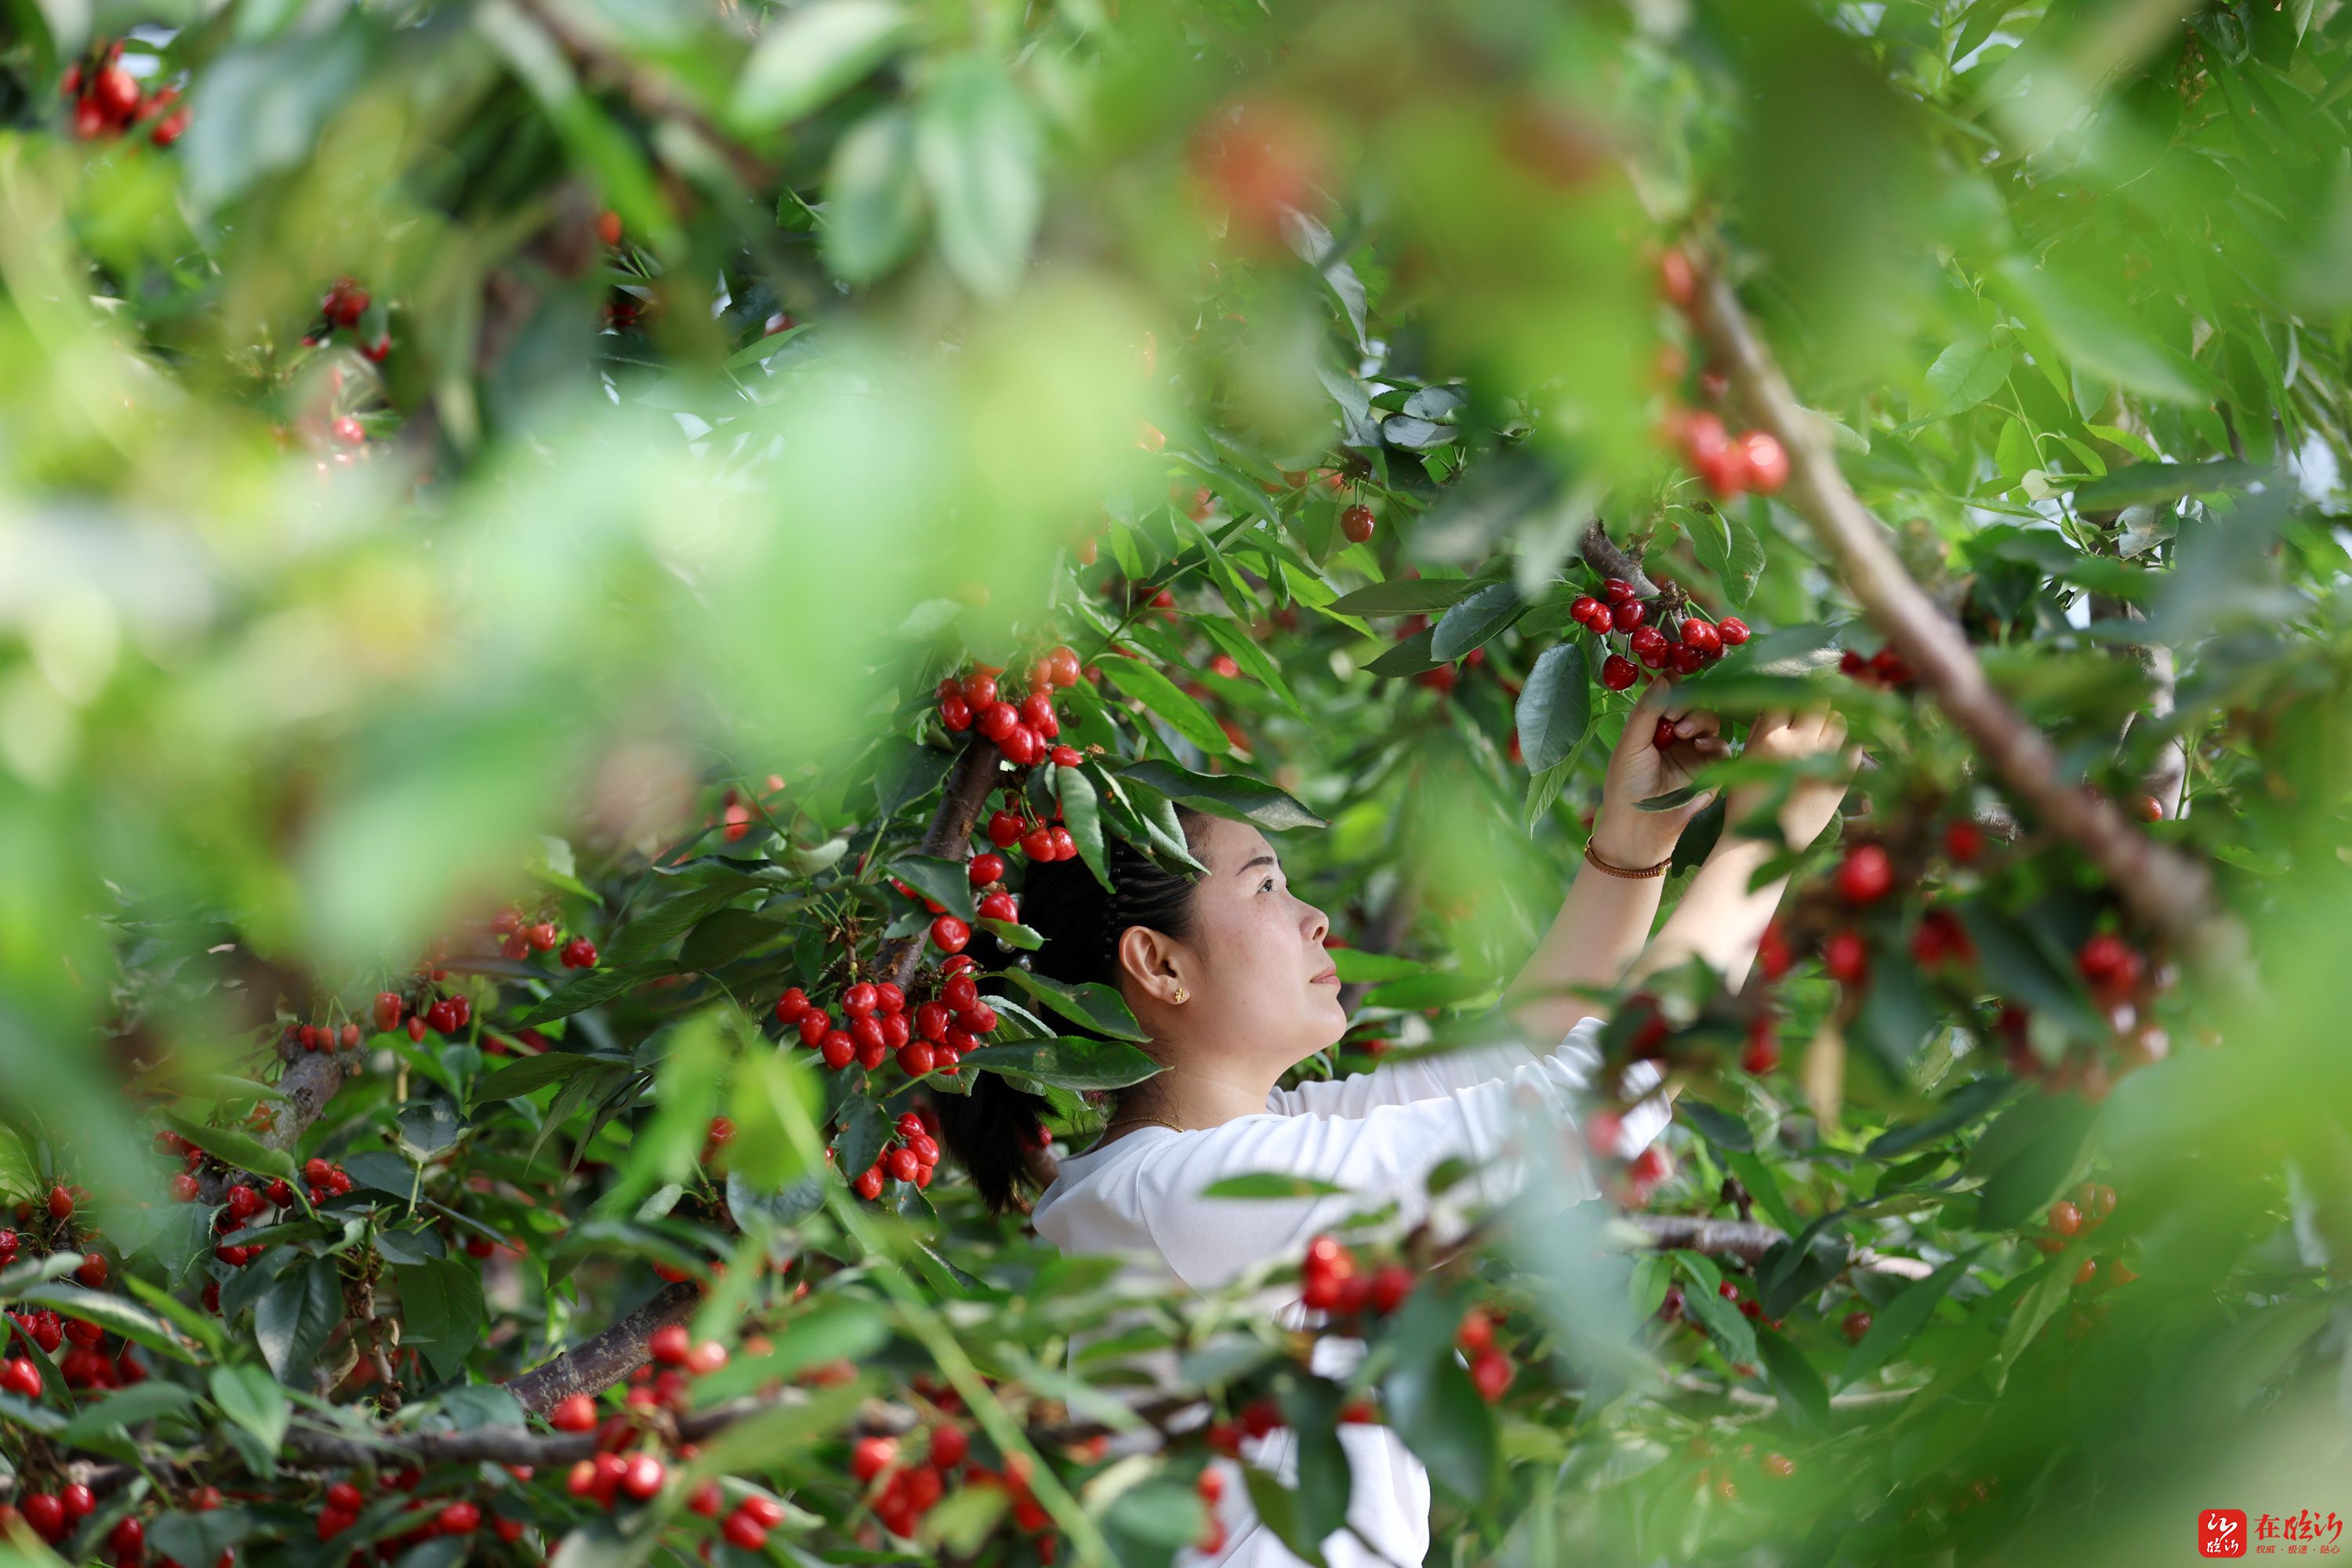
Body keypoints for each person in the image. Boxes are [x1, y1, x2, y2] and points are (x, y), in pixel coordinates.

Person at [935, 681, 1854, 1567]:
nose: (1313, 917)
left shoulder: (1232, 1159)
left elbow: (1519, 1070)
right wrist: (1766, 836)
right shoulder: (1184, 1197)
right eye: (1264, 888)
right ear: (1160, 963)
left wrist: (1639, 836)